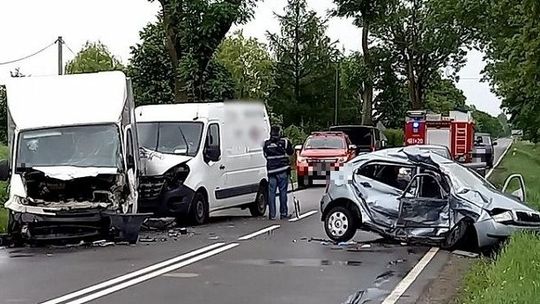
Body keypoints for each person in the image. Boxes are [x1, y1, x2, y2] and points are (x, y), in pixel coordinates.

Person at [263, 126, 294, 220]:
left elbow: (265, 155)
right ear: (279, 133)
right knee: (283, 192)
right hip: (282, 171)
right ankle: (283, 213)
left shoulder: (266, 144)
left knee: (271, 193)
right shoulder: (284, 142)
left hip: (271, 172)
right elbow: (291, 152)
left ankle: (272, 215)